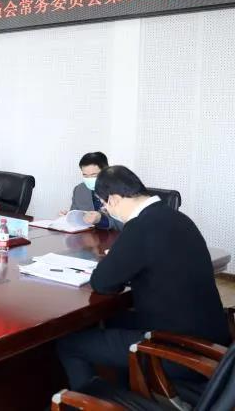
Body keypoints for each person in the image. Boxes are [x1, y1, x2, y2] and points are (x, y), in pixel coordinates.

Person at [57, 165, 230, 393]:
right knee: (114, 319)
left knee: (70, 344)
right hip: (214, 342)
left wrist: (115, 259)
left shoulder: (139, 227)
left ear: (114, 199)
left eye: (104, 204)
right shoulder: (178, 218)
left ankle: (92, 403)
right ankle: (124, 389)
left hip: (179, 350)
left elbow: (103, 283)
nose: (106, 209)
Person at [64, 152, 123, 231]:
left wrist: (101, 220)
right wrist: (67, 217)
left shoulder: (121, 189)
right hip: (87, 236)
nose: (89, 179)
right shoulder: (79, 190)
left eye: (94, 175)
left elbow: (128, 224)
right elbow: (75, 215)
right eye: (85, 175)